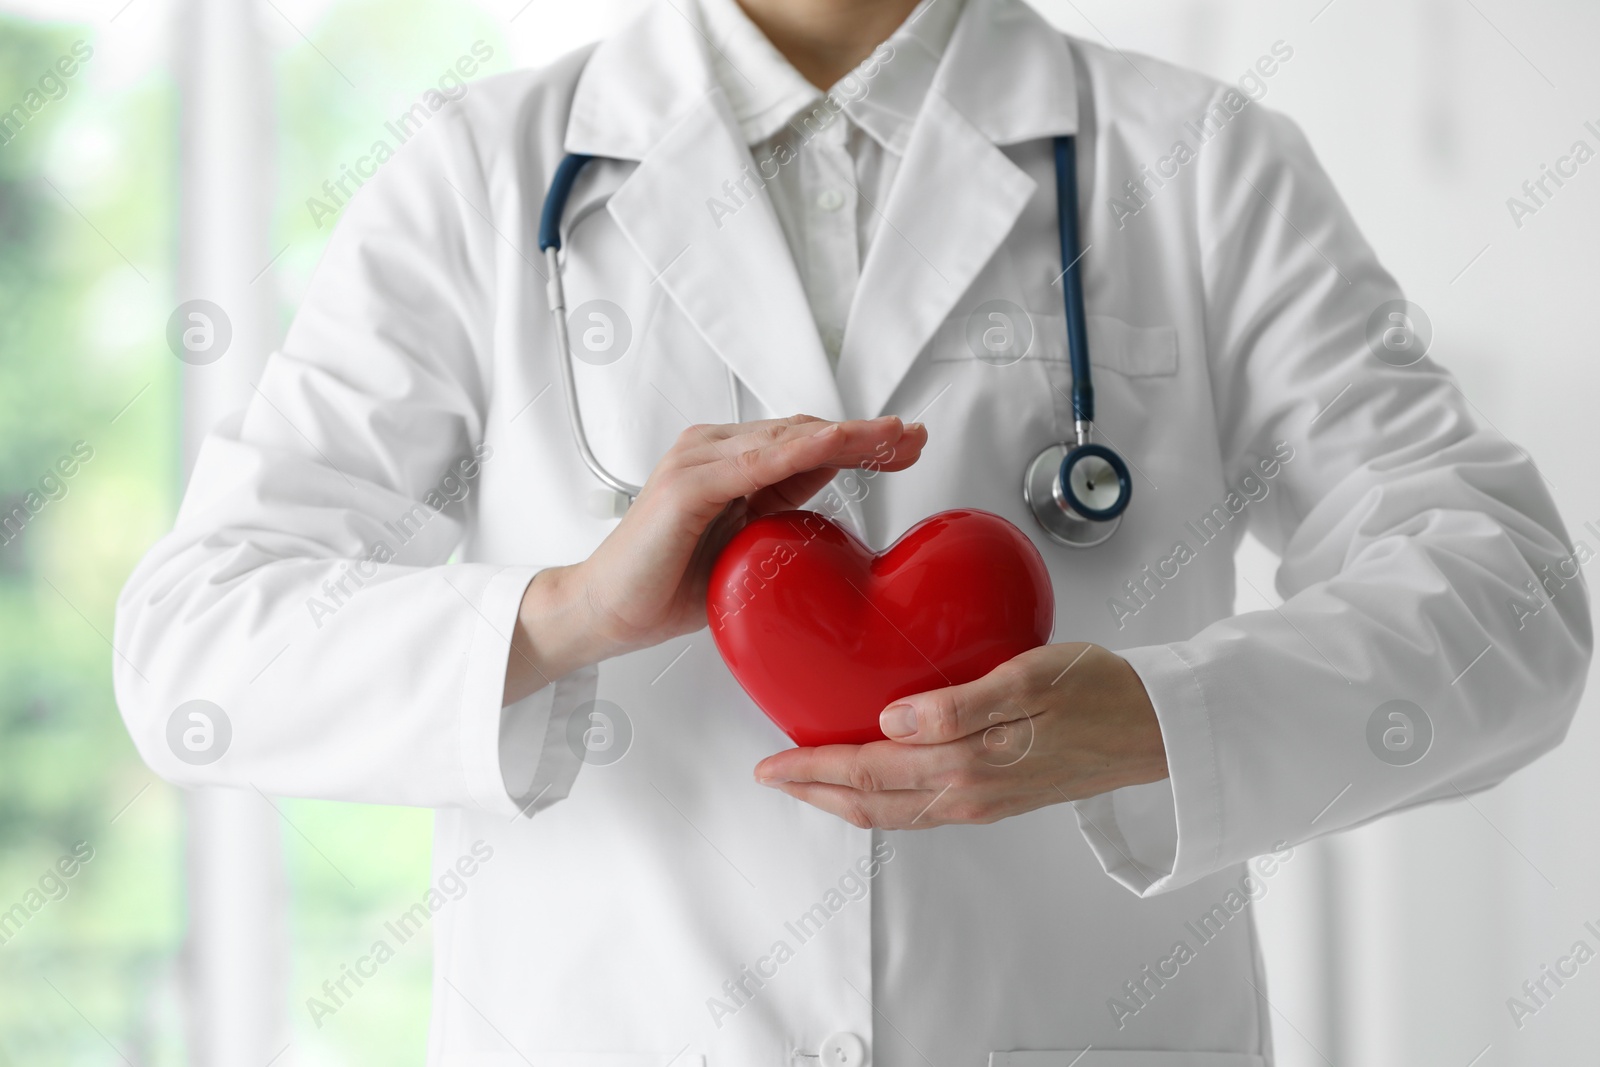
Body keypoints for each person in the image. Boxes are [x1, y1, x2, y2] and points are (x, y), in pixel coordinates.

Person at [114, 0, 1591, 1062]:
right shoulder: (478, 175)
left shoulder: (1201, 160)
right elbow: (194, 650)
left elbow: (1513, 601)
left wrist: (1160, 719)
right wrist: (568, 614)